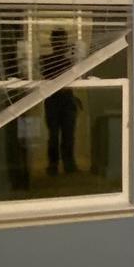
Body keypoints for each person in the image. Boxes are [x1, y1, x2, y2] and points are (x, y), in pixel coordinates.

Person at [39, 27, 80, 175]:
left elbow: (77, 75)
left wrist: (74, 57)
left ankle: (66, 165)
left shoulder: (70, 58)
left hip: (66, 99)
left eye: (62, 41)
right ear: (52, 41)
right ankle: (55, 165)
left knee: (68, 134)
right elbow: (46, 75)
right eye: (58, 40)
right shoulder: (47, 59)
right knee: (54, 135)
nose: (60, 43)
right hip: (54, 99)